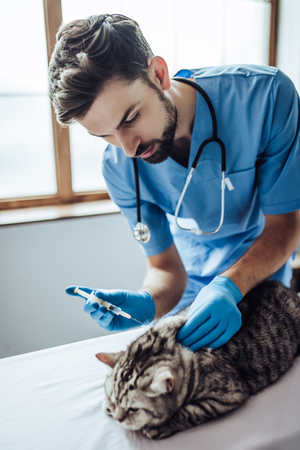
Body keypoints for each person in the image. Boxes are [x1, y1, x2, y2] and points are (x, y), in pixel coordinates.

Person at [49, 14, 300, 351]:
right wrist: (148, 301)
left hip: (263, 271)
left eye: (131, 118)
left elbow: (286, 225)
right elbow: (166, 270)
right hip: (191, 283)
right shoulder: (119, 169)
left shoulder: (265, 97)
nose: (128, 148)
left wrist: (229, 285)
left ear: (159, 74)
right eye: (104, 134)